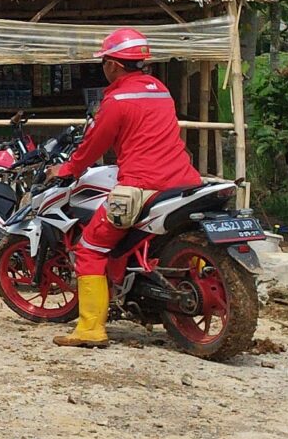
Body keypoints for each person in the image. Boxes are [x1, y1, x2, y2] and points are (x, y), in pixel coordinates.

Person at [46, 27, 202, 348]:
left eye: (104, 61)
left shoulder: (116, 100)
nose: (103, 67)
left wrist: (68, 169)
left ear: (115, 65)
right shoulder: (160, 90)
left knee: (90, 249)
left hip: (140, 187)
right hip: (185, 182)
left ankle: (90, 329)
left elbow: (92, 147)